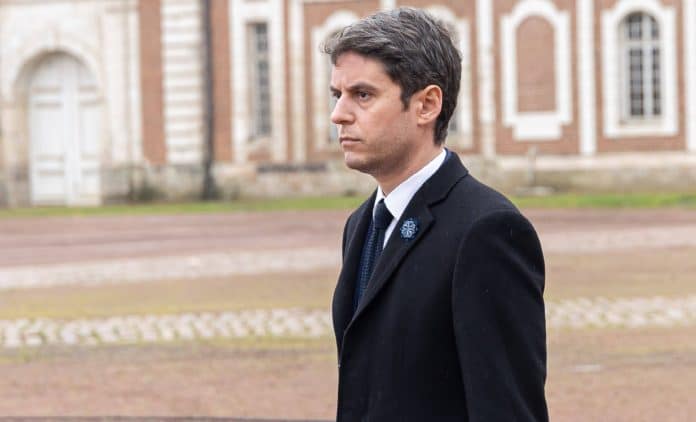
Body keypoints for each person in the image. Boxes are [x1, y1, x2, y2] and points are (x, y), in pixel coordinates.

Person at [323, 7, 548, 421]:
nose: (339, 114)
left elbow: (507, 408)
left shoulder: (486, 231)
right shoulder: (361, 224)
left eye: (363, 95)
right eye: (338, 95)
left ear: (426, 105)